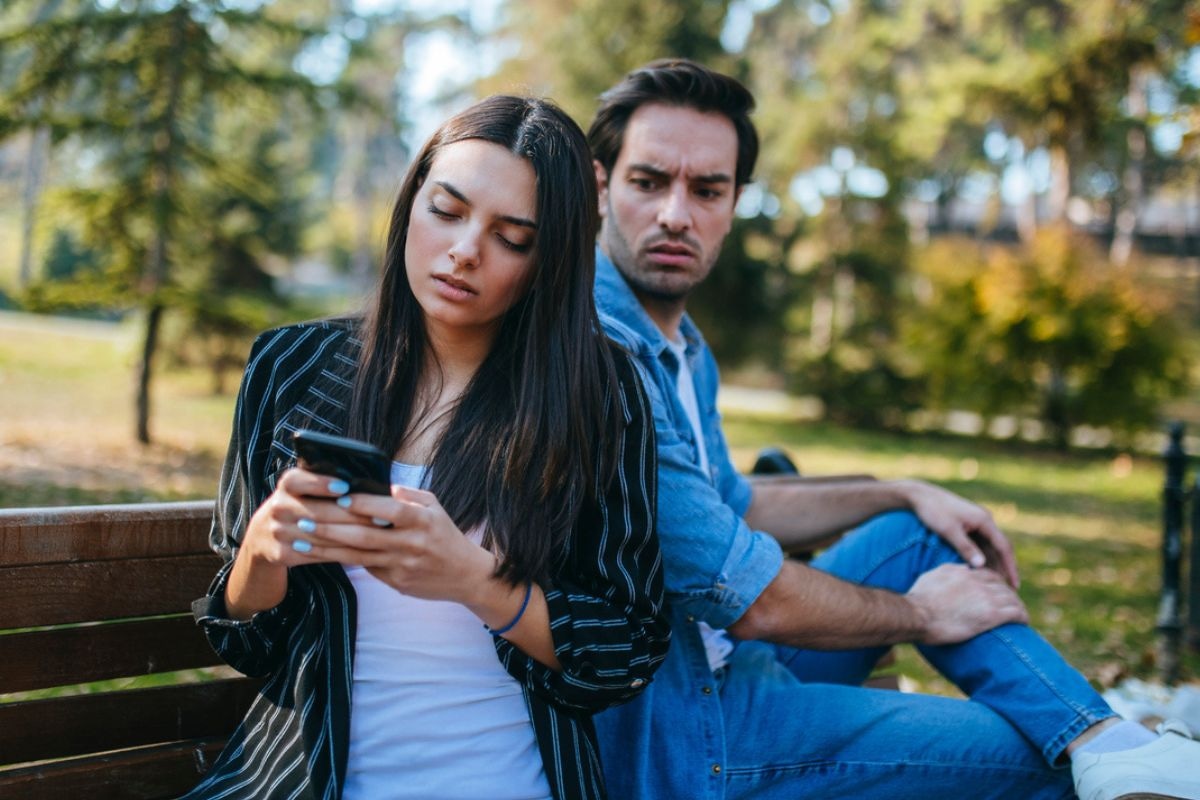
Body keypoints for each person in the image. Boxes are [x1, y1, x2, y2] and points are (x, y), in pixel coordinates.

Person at [588, 58, 1200, 800]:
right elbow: (753, 601)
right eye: (649, 182)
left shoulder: (683, 345)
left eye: (707, 189)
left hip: (741, 671)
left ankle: (1108, 740)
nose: (676, 214)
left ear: (735, 200)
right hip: (689, 736)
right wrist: (922, 613)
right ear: (600, 186)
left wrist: (902, 489)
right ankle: (1101, 748)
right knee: (1041, 764)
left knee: (922, 529)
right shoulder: (601, 354)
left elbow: (736, 503)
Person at [182, 95, 669, 800]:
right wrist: (261, 553)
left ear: (549, 261)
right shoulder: (291, 367)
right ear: (412, 204)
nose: (465, 249)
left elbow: (626, 648)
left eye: (513, 237)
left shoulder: (598, 393)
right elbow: (246, 644)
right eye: (447, 209)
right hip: (306, 781)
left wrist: (474, 581)